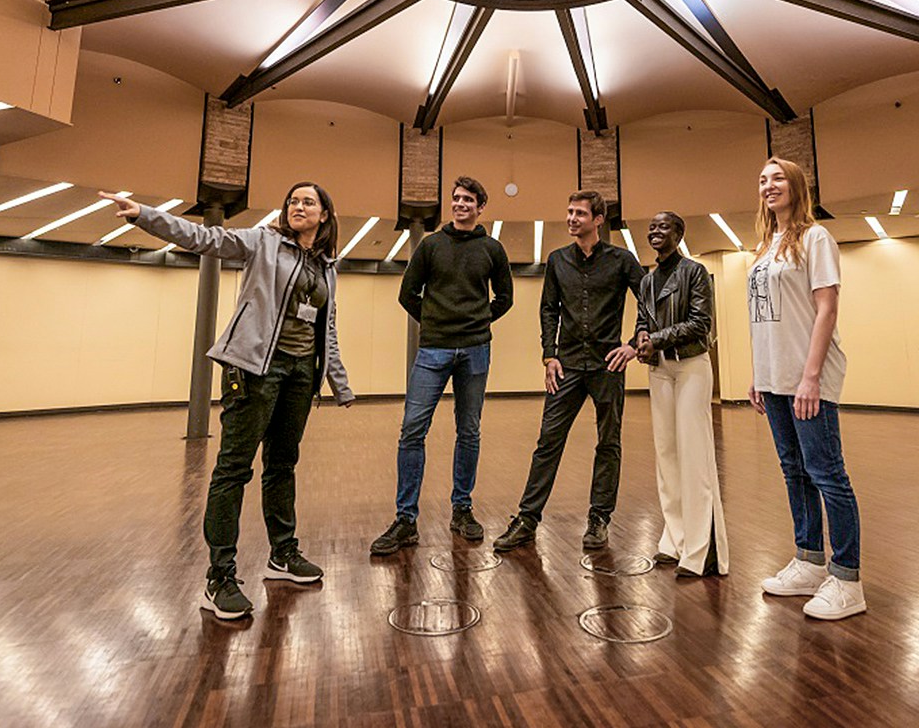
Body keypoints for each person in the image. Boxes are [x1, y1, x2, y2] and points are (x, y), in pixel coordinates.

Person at [101, 184, 355, 621]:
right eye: (292, 200)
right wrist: (144, 214)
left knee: (282, 464)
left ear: (325, 215)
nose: (297, 206)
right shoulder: (263, 242)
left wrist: (339, 383)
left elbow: (326, 328)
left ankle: (282, 555)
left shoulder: (326, 267)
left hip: (299, 374)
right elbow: (204, 238)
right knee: (234, 469)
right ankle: (219, 578)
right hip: (254, 369)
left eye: (307, 202)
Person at [744, 157, 866, 619]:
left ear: (796, 186)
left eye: (777, 178)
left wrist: (810, 376)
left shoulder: (816, 238)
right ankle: (810, 560)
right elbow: (763, 318)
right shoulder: (764, 248)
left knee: (827, 473)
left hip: (807, 377)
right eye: (763, 180)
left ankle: (847, 578)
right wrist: (759, 372)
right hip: (774, 377)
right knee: (793, 471)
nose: (768, 185)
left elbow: (827, 308)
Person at [494, 191, 644, 553]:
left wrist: (634, 345)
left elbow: (650, 302)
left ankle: (599, 519)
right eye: (570, 212)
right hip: (568, 365)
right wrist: (549, 355)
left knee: (608, 443)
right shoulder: (557, 260)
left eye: (580, 213)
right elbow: (549, 309)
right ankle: (527, 519)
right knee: (548, 441)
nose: (572, 218)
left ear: (598, 219)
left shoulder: (622, 261)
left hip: (608, 364)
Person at [370, 176, 514, 555]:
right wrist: (434, 321)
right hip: (433, 350)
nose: (460, 204)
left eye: (468, 200)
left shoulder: (492, 249)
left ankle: (462, 509)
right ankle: (405, 519)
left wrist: (478, 321)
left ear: (480, 207)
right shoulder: (431, 245)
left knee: (469, 431)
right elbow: (407, 293)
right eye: (456, 198)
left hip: (475, 350)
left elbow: (505, 297)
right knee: (412, 431)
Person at [633, 211, 729, 578]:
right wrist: (642, 337)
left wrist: (655, 339)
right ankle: (675, 538)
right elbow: (643, 320)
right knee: (667, 454)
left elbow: (700, 323)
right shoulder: (647, 280)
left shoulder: (694, 272)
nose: (655, 231)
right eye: (651, 227)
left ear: (679, 233)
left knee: (694, 454)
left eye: (663, 226)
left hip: (690, 368)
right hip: (660, 369)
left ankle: (701, 550)